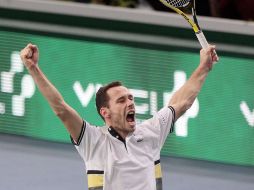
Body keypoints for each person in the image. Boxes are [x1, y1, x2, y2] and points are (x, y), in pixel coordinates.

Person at [20, 43, 218, 190]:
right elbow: (61, 109)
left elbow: (182, 102)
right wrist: (33, 68)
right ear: (104, 112)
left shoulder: (151, 132)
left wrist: (204, 67)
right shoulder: (93, 141)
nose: (130, 102)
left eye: (130, 98)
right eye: (121, 100)